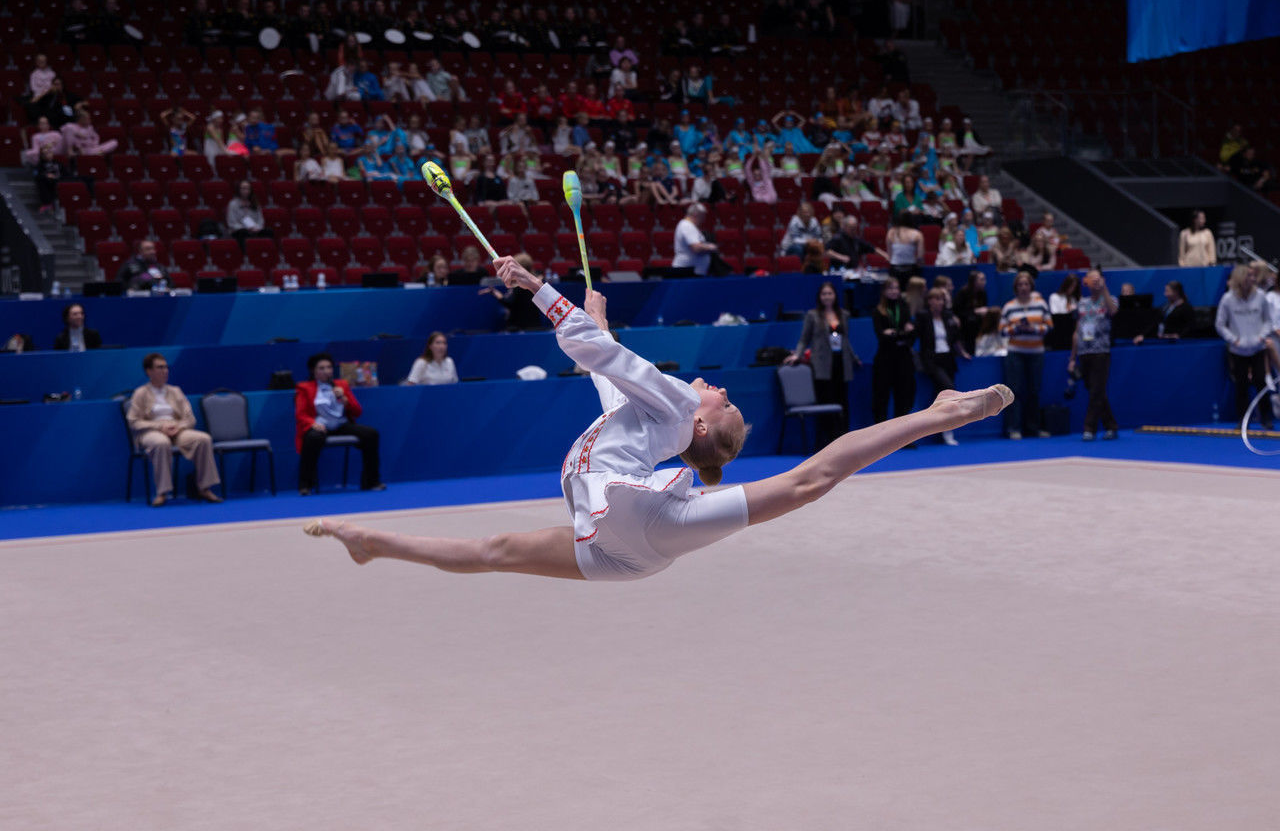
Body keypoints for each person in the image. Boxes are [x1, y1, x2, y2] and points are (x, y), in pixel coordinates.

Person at [304, 257, 1014, 580]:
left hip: (634, 520)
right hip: (619, 548)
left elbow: (594, 353)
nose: (711, 385)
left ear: (702, 426)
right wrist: (598, 322)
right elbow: (604, 369)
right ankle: (370, 542)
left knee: (808, 480)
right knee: (491, 552)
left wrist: (534, 287)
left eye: (722, 400)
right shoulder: (655, 419)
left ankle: (937, 412)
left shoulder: (675, 406)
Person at [126, 353, 222, 507]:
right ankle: (162, 493)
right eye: (160, 367)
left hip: (177, 429)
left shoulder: (176, 391)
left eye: (166, 367)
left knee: (203, 439)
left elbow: (190, 418)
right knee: (161, 443)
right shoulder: (140, 393)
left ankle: (204, 488)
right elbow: (133, 421)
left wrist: (178, 427)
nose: (165, 371)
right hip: (151, 431)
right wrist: (159, 426)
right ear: (149, 371)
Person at [295, 352, 386, 495]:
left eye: (329, 367)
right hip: (319, 426)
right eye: (322, 368)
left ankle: (371, 481)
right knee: (313, 438)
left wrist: (344, 399)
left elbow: (357, 412)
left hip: (341, 425)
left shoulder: (341, 385)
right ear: (313, 371)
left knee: (371, 434)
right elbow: (301, 414)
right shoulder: (304, 388)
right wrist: (312, 423)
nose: (326, 371)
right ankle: (305, 485)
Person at [784, 281, 860, 446]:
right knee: (826, 399)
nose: (827, 297)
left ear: (835, 296)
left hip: (841, 362)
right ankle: (829, 439)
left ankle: (845, 438)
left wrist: (854, 358)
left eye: (830, 293)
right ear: (820, 296)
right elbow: (804, 339)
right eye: (824, 294)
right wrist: (797, 355)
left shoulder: (844, 314)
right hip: (822, 365)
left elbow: (846, 340)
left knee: (842, 400)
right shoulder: (813, 315)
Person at [1215, 265, 1275, 431]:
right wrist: (1233, 340)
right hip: (1238, 350)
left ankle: (1266, 418)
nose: (1253, 278)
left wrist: (1261, 336)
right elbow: (1220, 324)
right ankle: (1243, 420)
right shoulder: (1228, 299)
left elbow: (1268, 321)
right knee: (1240, 385)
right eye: (1249, 275)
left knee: (1261, 382)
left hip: (1258, 348)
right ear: (1241, 278)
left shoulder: (1260, 296)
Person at [999, 271, 1053, 439]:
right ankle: (1014, 428)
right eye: (1020, 285)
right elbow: (1001, 331)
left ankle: (1033, 428)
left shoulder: (1041, 304)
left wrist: (1033, 329)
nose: (1023, 287)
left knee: (1034, 391)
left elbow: (1049, 326)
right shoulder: (1009, 306)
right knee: (1014, 391)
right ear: (1016, 287)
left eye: (1026, 284)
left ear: (1031, 287)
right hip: (1016, 353)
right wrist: (1016, 329)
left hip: (1036, 353)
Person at [1068, 270, 1119, 440]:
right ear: (1086, 282)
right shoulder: (1081, 303)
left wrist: (1104, 289)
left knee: (1097, 389)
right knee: (1095, 391)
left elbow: (1113, 312)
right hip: (1084, 352)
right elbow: (1076, 331)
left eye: (1099, 279)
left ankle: (1089, 428)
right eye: (1093, 279)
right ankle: (1111, 425)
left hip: (1101, 351)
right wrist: (1072, 358)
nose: (1096, 282)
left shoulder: (1109, 300)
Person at [916, 286, 971, 445]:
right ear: (930, 301)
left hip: (948, 359)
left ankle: (945, 430)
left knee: (942, 396)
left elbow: (955, 339)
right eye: (937, 299)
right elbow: (916, 335)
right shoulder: (923, 317)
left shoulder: (949, 317)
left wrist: (963, 352)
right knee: (948, 388)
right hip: (932, 360)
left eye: (942, 299)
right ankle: (934, 429)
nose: (940, 302)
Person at [870, 277, 917, 425]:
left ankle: (903, 434)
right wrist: (901, 333)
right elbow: (882, 336)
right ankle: (880, 435)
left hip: (903, 358)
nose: (894, 291)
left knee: (904, 396)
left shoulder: (903, 308)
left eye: (896, 288)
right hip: (885, 359)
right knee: (881, 397)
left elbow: (911, 333)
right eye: (890, 288)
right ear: (884, 291)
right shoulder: (878, 311)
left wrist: (896, 334)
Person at [1133, 281, 1194, 345]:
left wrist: (1179, 336)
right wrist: (1143, 335)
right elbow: (1156, 322)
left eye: (1167, 291)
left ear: (1176, 292)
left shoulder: (1186, 307)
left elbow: (1190, 326)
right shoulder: (1165, 306)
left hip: (1177, 343)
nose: (1165, 294)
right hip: (1162, 340)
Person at [673, 203, 717, 276]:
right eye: (703, 216)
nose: (704, 219)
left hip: (693, 272)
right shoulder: (687, 226)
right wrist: (711, 247)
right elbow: (696, 248)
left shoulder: (691, 226)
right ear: (696, 214)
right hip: (686, 273)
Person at [226, 180, 273, 249]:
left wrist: (257, 228)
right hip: (240, 230)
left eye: (248, 188)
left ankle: (266, 253)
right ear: (238, 190)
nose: (246, 191)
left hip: (255, 229)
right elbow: (232, 223)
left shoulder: (255, 203)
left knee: (268, 231)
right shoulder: (233, 204)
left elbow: (260, 219)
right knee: (243, 233)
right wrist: (247, 228)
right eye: (243, 188)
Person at [885, 212, 924, 284]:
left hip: (895, 269)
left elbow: (889, 256)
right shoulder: (917, 234)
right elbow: (920, 257)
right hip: (911, 269)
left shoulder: (891, 232)